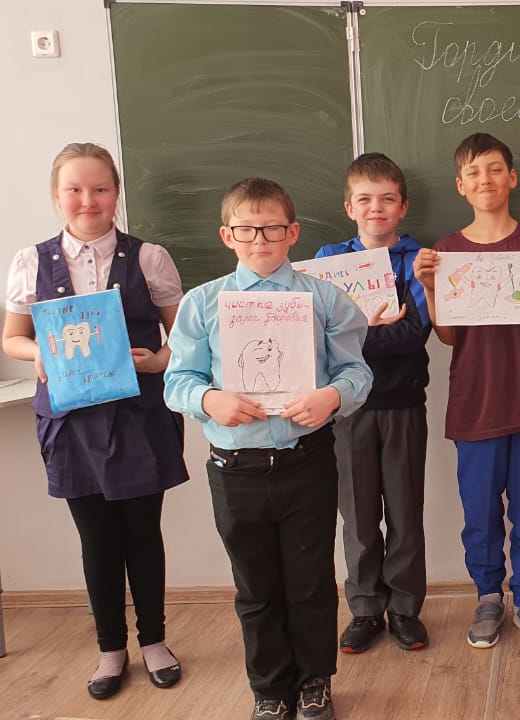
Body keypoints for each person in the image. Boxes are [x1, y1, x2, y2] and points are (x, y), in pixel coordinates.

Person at [164, 177, 373, 720]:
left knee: (309, 581)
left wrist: (332, 396)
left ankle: (315, 681)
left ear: (293, 232)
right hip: (235, 466)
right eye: (247, 229)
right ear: (226, 235)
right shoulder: (201, 303)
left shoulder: (325, 299)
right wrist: (209, 400)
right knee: (254, 586)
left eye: (272, 228)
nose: (260, 239)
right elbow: (176, 381)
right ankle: (269, 689)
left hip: (306, 461)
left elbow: (356, 372)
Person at [1, 142, 187, 701]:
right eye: (75, 190)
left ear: (116, 193)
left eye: (100, 189)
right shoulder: (30, 261)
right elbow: (13, 338)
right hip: (70, 422)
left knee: (143, 534)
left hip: (138, 417)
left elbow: (184, 336)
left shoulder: (149, 258)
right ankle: (111, 649)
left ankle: (155, 641)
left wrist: (157, 361)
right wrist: (38, 353)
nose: (88, 200)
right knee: (96, 540)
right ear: (56, 196)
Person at [412, 133, 520, 650]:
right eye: (473, 172)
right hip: (475, 401)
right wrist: (430, 288)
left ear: (512, 177)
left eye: (495, 169)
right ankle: (488, 596)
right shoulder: (447, 250)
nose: (485, 180)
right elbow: (449, 336)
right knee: (479, 513)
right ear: (460, 185)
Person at [315, 153, 434, 652]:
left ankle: (404, 608)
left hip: (402, 402)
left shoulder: (419, 260)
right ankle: (365, 609)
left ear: (402, 207)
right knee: (358, 515)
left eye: (387, 199)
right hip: (347, 408)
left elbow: (414, 334)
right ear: (349, 207)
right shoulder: (328, 261)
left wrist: (355, 332)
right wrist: (372, 329)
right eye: (364, 199)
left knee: (404, 513)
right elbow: (319, 337)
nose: (376, 208)